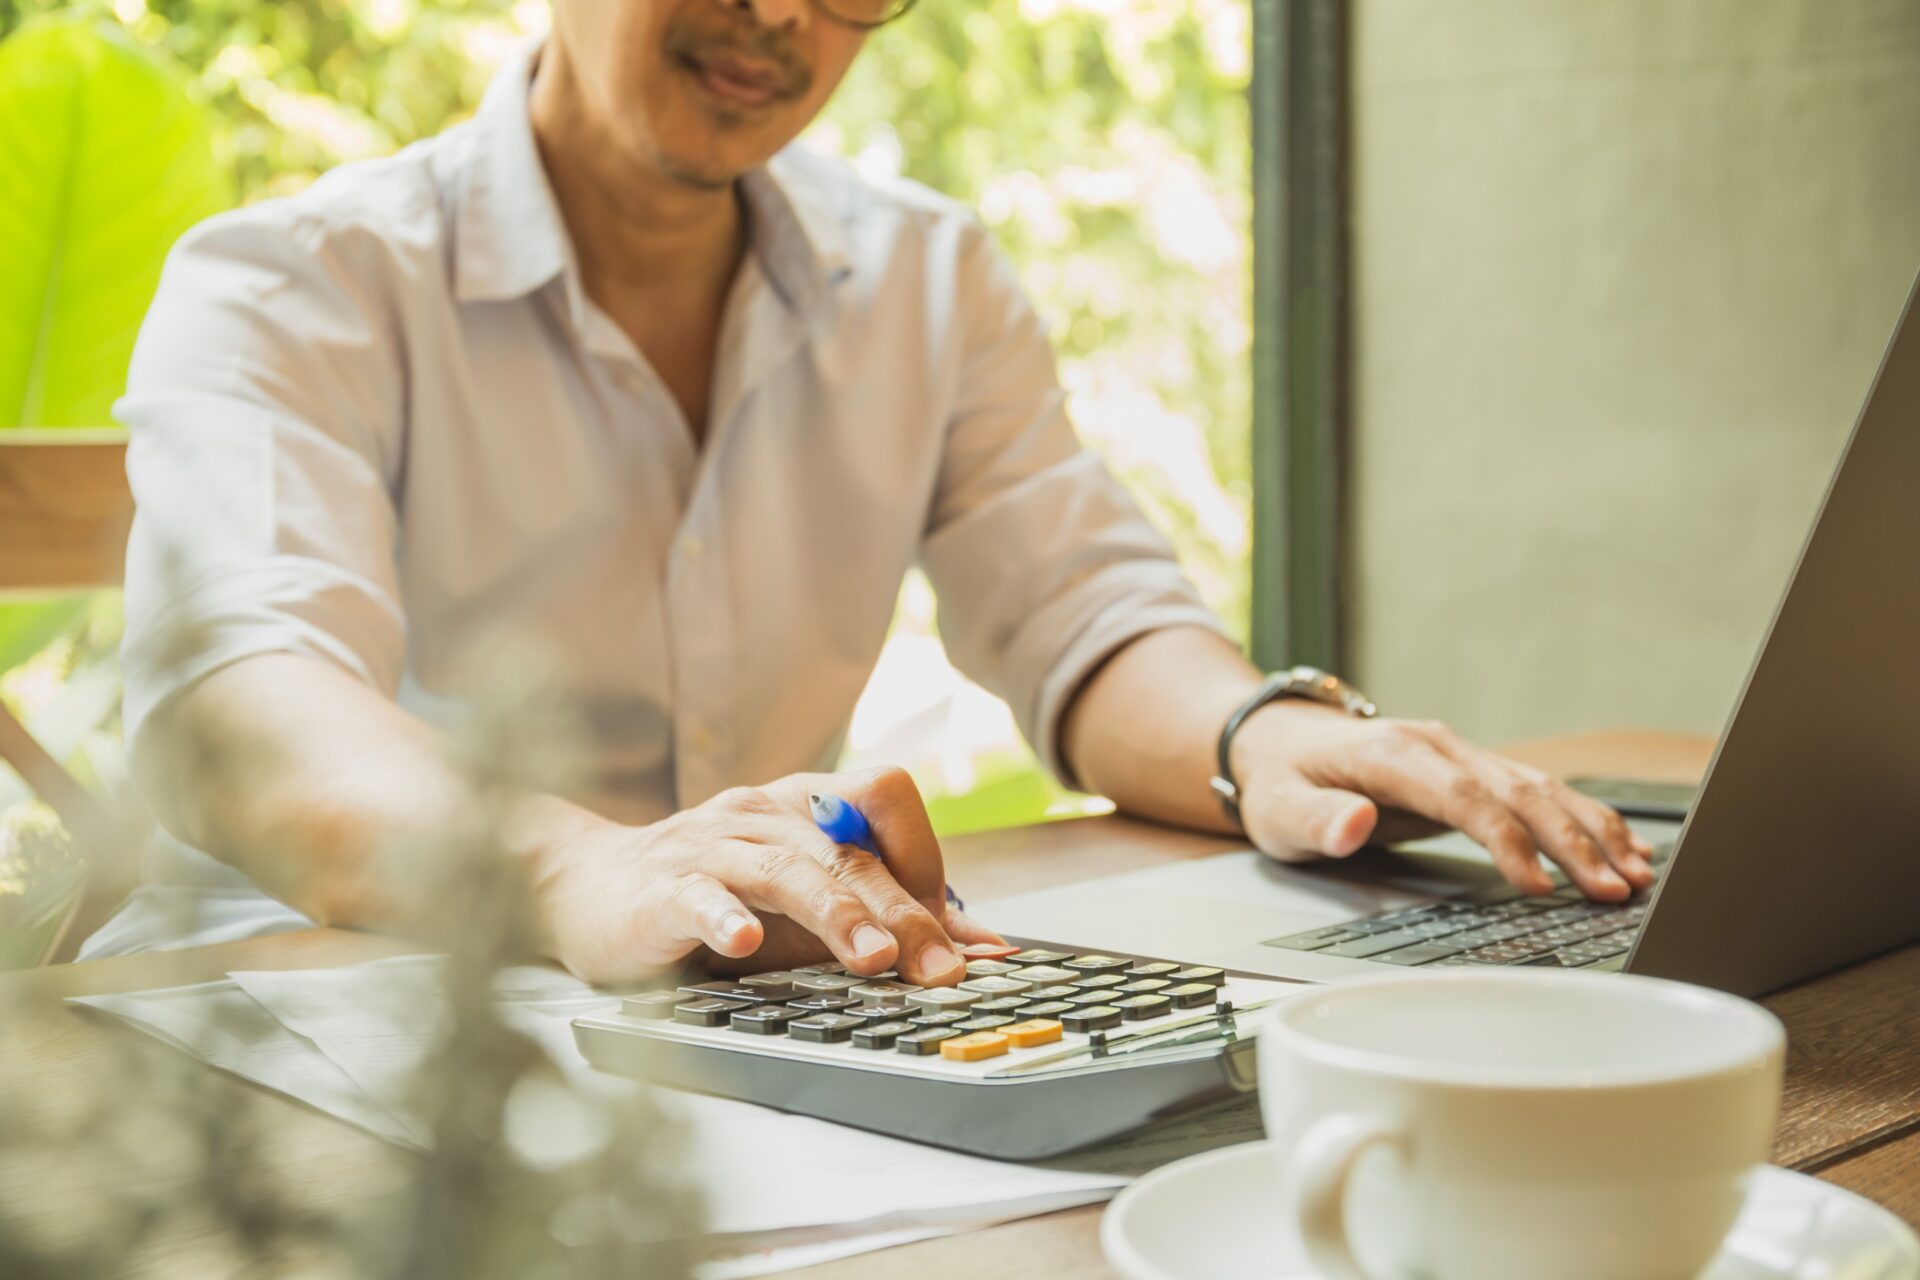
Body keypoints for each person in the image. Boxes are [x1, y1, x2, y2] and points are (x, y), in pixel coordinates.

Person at [83, 0, 1654, 984]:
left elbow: (1081, 616)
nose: (778, 15)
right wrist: (585, 865)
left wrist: (1267, 735)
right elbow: (246, 705)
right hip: (324, 1023)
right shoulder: (293, 283)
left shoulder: (927, 277)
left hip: (749, 1016)